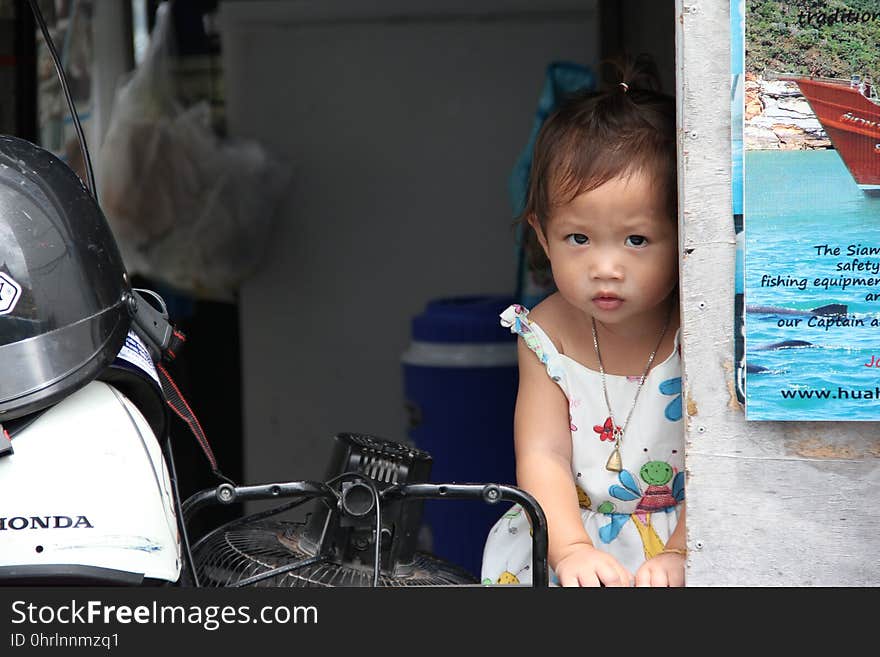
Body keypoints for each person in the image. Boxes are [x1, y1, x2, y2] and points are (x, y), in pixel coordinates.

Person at [481, 56, 685, 587]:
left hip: (689, 536)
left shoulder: (700, 328)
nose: (606, 268)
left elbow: (722, 460)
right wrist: (569, 549)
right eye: (579, 239)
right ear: (543, 235)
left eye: (636, 240)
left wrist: (683, 550)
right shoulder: (545, 335)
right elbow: (543, 452)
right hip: (566, 535)